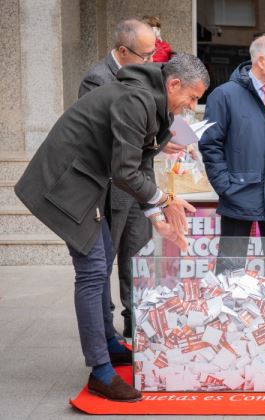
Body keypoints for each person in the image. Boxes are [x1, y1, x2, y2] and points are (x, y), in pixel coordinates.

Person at [15, 54, 209, 401]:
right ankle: (100, 372)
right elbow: (125, 172)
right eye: (192, 98)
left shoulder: (154, 101)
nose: (192, 107)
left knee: (102, 258)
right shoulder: (137, 99)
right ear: (174, 84)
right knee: (91, 271)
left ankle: (108, 343)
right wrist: (165, 201)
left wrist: (156, 219)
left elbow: (142, 164)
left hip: (86, 181)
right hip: (63, 181)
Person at [79, 18, 185, 339]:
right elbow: (109, 142)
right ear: (123, 52)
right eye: (146, 55)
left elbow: (146, 146)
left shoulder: (144, 78)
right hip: (110, 191)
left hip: (139, 186)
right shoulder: (96, 80)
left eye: (154, 54)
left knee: (138, 261)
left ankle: (137, 324)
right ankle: (105, 333)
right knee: (103, 265)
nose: (152, 62)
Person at [200, 34, 265, 280]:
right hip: (238, 195)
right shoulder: (224, 95)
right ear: (261, 61)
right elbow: (210, 145)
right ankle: (230, 318)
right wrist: (225, 186)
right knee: (230, 271)